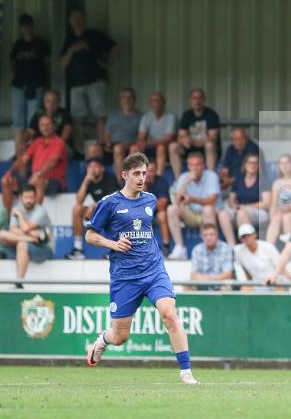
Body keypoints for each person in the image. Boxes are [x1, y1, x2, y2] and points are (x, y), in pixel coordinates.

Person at [84, 152, 198, 384]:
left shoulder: (150, 200)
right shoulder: (109, 203)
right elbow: (89, 235)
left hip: (154, 271)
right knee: (120, 337)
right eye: (136, 173)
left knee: (170, 315)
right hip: (125, 277)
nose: (141, 178)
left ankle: (186, 372)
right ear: (124, 175)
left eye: (144, 173)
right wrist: (113, 244)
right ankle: (103, 340)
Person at [59, 8, 118, 152]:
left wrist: (108, 64)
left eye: (79, 18)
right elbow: (62, 63)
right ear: (70, 22)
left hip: (96, 80)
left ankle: (101, 148)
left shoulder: (95, 34)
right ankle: (80, 151)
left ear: (85, 19)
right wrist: (73, 49)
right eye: (74, 19)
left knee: (100, 116)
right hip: (76, 83)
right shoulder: (69, 39)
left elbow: (115, 48)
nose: (77, 22)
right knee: (77, 118)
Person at [1, 115, 66, 211]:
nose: (45, 127)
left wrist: (38, 174)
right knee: (6, 181)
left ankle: (33, 217)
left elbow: (53, 162)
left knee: (39, 181)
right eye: (42, 125)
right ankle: (8, 220)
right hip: (34, 178)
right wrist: (9, 172)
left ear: (54, 126)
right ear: (39, 127)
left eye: (48, 124)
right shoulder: (37, 142)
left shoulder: (59, 142)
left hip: (54, 182)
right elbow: (23, 159)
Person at [166, 151, 221, 260]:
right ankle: (180, 248)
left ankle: (209, 248)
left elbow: (212, 201)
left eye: (197, 164)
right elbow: (176, 201)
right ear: (188, 166)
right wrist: (186, 181)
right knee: (171, 209)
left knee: (208, 209)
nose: (194, 168)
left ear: (203, 165)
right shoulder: (184, 176)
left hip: (208, 214)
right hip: (190, 214)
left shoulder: (211, 175)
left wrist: (192, 199)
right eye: (191, 165)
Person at [0, 185, 54, 286]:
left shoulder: (40, 210)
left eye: (31, 197)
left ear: (35, 197)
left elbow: (25, 228)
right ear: (20, 198)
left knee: (22, 244)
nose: (29, 200)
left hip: (43, 248)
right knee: (2, 234)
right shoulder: (17, 208)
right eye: (26, 197)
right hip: (33, 243)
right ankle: (32, 239)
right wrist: (33, 236)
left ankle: (19, 282)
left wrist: (19, 216)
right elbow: (13, 229)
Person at [64, 157, 119, 259]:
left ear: (102, 168)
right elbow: (79, 200)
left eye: (95, 166)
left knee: (114, 211)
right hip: (98, 211)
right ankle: (78, 249)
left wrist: (95, 205)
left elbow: (113, 198)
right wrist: (85, 182)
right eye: (90, 167)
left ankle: (115, 250)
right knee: (77, 209)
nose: (92, 169)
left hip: (112, 210)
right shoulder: (89, 180)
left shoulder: (109, 177)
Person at [9, 13, 50, 150]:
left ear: (32, 26)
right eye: (23, 26)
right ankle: (19, 151)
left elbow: (47, 63)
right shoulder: (17, 45)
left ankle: (31, 151)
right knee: (18, 120)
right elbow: (11, 63)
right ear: (20, 28)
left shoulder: (40, 43)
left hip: (36, 85)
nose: (26, 28)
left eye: (28, 25)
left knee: (33, 120)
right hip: (19, 85)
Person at [218, 153, 269, 246]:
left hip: (259, 212)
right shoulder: (239, 179)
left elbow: (266, 203)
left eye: (255, 163)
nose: (252, 165)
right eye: (250, 163)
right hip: (239, 210)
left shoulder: (263, 180)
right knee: (223, 214)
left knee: (242, 212)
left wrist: (245, 207)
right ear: (245, 165)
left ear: (259, 165)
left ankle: (246, 247)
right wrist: (234, 206)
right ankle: (232, 246)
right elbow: (231, 199)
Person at [169, 88, 220, 175]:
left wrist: (191, 140)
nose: (197, 101)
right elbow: (181, 138)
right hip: (190, 149)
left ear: (204, 100)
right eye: (194, 98)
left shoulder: (211, 115)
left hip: (207, 150)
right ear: (190, 100)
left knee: (209, 145)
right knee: (173, 146)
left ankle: (211, 178)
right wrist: (184, 140)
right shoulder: (187, 115)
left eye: (199, 98)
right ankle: (178, 180)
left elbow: (212, 139)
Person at [133, 90, 176, 177]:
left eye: (159, 101)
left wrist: (148, 142)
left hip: (165, 149)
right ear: (150, 103)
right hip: (150, 147)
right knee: (134, 148)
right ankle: (135, 176)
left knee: (160, 147)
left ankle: (158, 177)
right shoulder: (146, 117)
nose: (156, 103)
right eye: (153, 101)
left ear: (164, 102)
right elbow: (141, 136)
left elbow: (168, 139)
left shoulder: (170, 117)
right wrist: (141, 142)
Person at [234, 223, 289, 287]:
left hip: (277, 281)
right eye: (243, 237)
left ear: (255, 235)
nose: (246, 238)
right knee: (245, 287)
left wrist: (290, 280)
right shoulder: (238, 250)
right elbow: (240, 273)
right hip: (258, 285)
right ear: (240, 239)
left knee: (278, 281)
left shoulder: (268, 246)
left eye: (248, 235)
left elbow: (281, 266)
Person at [104, 87, 142, 179]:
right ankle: (120, 181)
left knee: (134, 149)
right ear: (120, 100)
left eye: (130, 97)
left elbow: (142, 135)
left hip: (133, 144)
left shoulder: (140, 116)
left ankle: (131, 180)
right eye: (124, 97)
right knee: (118, 148)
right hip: (115, 145)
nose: (127, 100)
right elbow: (107, 133)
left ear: (134, 99)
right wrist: (107, 143)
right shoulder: (113, 115)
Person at [25, 89, 73, 158]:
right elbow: (31, 131)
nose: (50, 104)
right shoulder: (38, 113)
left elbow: (65, 134)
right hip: (42, 145)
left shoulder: (64, 113)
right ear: (44, 102)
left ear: (59, 102)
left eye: (54, 102)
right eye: (48, 101)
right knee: (23, 140)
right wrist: (26, 139)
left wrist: (50, 144)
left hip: (61, 146)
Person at [189, 223, 234, 291]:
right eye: (205, 235)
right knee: (188, 285)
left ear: (217, 235)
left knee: (226, 286)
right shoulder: (197, 249)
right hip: (202, 283)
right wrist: (205, 280)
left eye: (211, 234)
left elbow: (228, 274)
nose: (208, 237)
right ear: (201, 236)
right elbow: (193, 274)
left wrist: (209, 279)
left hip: (220, 283)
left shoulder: (226, 248)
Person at [142, 162, 171, 254]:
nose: (147, 175)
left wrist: (145, 192)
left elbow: (162, 206)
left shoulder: (161, 181)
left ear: (155, 172)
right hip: (142, 214)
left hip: (157, 212)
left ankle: (166, 246)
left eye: (150, 171)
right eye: (144, 172)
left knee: (162, 215)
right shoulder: (136, 183)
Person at [219, 126, 260, 191]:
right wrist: (223, 178)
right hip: (231, 182)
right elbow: (225, 169)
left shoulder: (253, 148)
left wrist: (230, 181)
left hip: (248, 182)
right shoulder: (230, 149)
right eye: (235, 139)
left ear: (246, 138)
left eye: (241, 139)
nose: (239, 142)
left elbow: (250, 172)